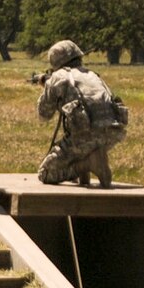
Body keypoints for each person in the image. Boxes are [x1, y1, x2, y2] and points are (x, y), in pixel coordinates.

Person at [37, 40, 127, 188]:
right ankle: (91, 162)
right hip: (112, 134)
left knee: (46, 173)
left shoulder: (57, 77)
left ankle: (86, 165)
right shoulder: (93, 75)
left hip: (85, 136)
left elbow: (44, 115)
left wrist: (46, 86)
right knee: (79, 143)